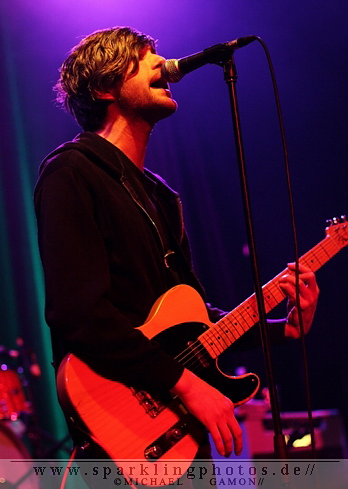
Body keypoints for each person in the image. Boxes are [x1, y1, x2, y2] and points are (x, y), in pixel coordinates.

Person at [34, 27, 319, 467]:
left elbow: (193, 323)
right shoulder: (72, 171)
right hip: (126, 423)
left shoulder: (160, 196)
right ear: (103, 87)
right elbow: (78, 315)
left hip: (178, 429)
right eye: (142, 56)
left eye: (157, 52)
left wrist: (285, 327)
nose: (161, 62)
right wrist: (184, 383)